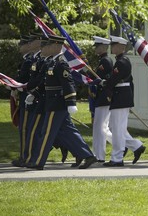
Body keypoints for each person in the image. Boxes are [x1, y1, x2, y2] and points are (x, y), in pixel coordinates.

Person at [26, 35, 97, 170]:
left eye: (47, 46)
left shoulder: (61, 63)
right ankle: (88, 156)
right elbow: (45, 84)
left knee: (46, 133)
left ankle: (38, 161)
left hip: (57, 104)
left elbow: (68, 83)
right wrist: (34, 94)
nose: (44, 48)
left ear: (56, 46)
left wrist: (71, 102)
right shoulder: (51, 63)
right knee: (69, 132)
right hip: (52, 103)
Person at [102, 36, 145, 167]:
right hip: (120, 97)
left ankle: (117, 157)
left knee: (118, 130)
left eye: (114, 45)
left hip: (121, 97)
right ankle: (136, 146)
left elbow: (114, 80)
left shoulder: (122, 62)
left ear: (122, 47)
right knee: (116, 128)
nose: (112, 47)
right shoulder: (120, 61)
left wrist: (104, 84)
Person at [11, 34, 36, 167]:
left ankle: (25, 157)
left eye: (23, 44)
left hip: (28, 98)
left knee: (25, 129)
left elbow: (24, 80)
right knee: (24, 129)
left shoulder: (29, 61)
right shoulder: (26, 60)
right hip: (24, 98)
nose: (21, 46)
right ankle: (24, 155)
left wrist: (13, 84)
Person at [91, 36, 114, 163]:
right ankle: (121, 144)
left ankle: (100, 156)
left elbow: (108, 80)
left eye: (98, 46)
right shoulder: (102, 61)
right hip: (100, 97)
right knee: (99, 127)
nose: (96, 48)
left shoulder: (106, 61)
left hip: (105, 98)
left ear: (104, 47)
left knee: (100, 127)